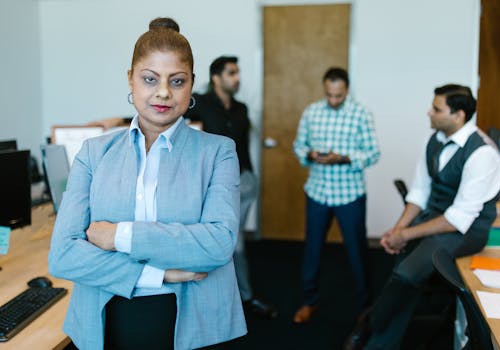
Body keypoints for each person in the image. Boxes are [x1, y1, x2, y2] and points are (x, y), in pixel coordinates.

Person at [48, 18, 246, 350]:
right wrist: (160, 273)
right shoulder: (94, 153)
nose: (164, 92)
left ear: (192, 85)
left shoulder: (218, 152)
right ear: (131, 80)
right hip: (106, 318)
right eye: (150, 79)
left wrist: (117, 235)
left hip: (193, 321)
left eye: (177, 81)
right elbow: (64, 256)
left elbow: (217, 245)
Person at [344, 84, 500, 350]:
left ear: (459, 115)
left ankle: (370, 323)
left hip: (465, 231)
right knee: (403, 274)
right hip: (436, 220)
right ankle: (380, 342)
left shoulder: (483, 154)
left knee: (407, 275)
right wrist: (396, 230)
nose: (428, 112)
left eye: (436, 109)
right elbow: (420, 192)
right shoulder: (433, 140)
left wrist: (405, 234)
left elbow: (457, 218)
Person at [184, 56, 278, 320]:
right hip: (216, 185)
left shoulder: (241, 108)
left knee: (234, 242)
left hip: (245, 181)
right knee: (230, 243)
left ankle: (239, 297)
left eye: (237, 73)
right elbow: (164, 114)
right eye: (231, 73)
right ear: (216, 77)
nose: (237, 78)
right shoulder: (199, 103)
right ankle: (238, 298)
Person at [292, 67, 380, 324]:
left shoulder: (361, 114)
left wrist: (345, 158)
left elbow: (374, 153)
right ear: (324, 89)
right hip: (317, 192)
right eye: (329, 95)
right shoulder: (312, 112)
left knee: (357, 252)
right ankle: (310, 301)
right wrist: (311, 155)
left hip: (350, 194)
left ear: (347, 90)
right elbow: (300, 145)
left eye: (338, 96)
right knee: (313, 250)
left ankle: (366, 308)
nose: (333, 100)